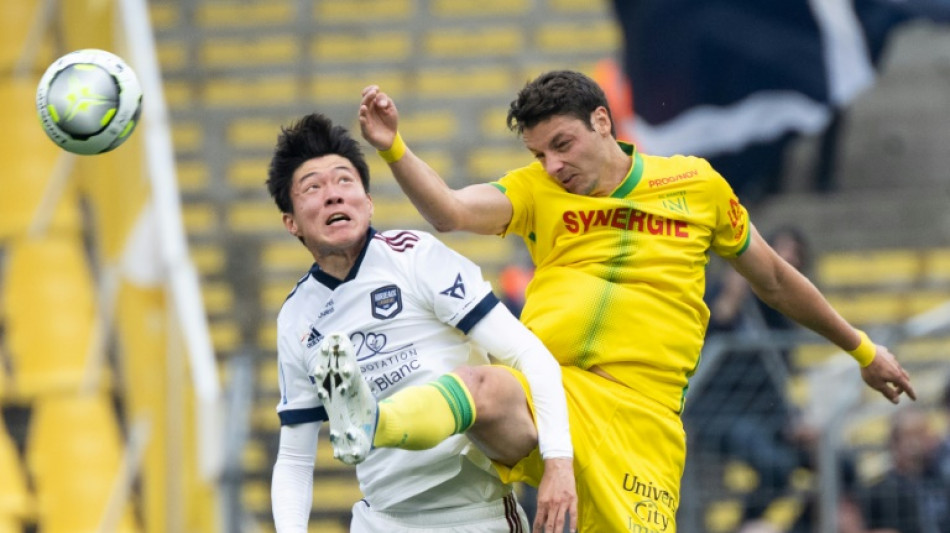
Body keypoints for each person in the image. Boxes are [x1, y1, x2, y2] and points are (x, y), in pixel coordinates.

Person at [355, 69, 917, 532]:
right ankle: (370, 420)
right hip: (553, 390)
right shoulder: (535, 189)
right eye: (539, 152)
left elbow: (772, 277)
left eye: (562, 145)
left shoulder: (696, 186)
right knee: (482, 387)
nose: (552, 165)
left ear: (602, 122)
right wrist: (394, 148)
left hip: (641, 420)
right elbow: (450, 210)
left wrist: (864, 351)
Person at [266, 113, 577, 532]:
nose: (333, 196)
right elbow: (295, 459)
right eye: (313, 188)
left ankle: (375, 420)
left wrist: (559, 464)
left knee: (489, 382)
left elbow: (529, 355)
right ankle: (371, 420)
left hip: (473, 513)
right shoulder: (297, 317)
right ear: (292, 223)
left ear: (369, 201)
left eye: (344, 181)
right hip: (383, 520)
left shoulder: (415, 257)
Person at [688, 226, 819, 523]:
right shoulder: (719, 294)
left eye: (794, 258)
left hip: (765, 414)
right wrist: (733, 296)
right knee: (776, 466)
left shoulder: (778, 313)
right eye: (779, 254)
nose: (788, 261)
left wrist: (794, 420)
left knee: (836, 462)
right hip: (717, 412)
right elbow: (705, 336)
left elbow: (778, 376)